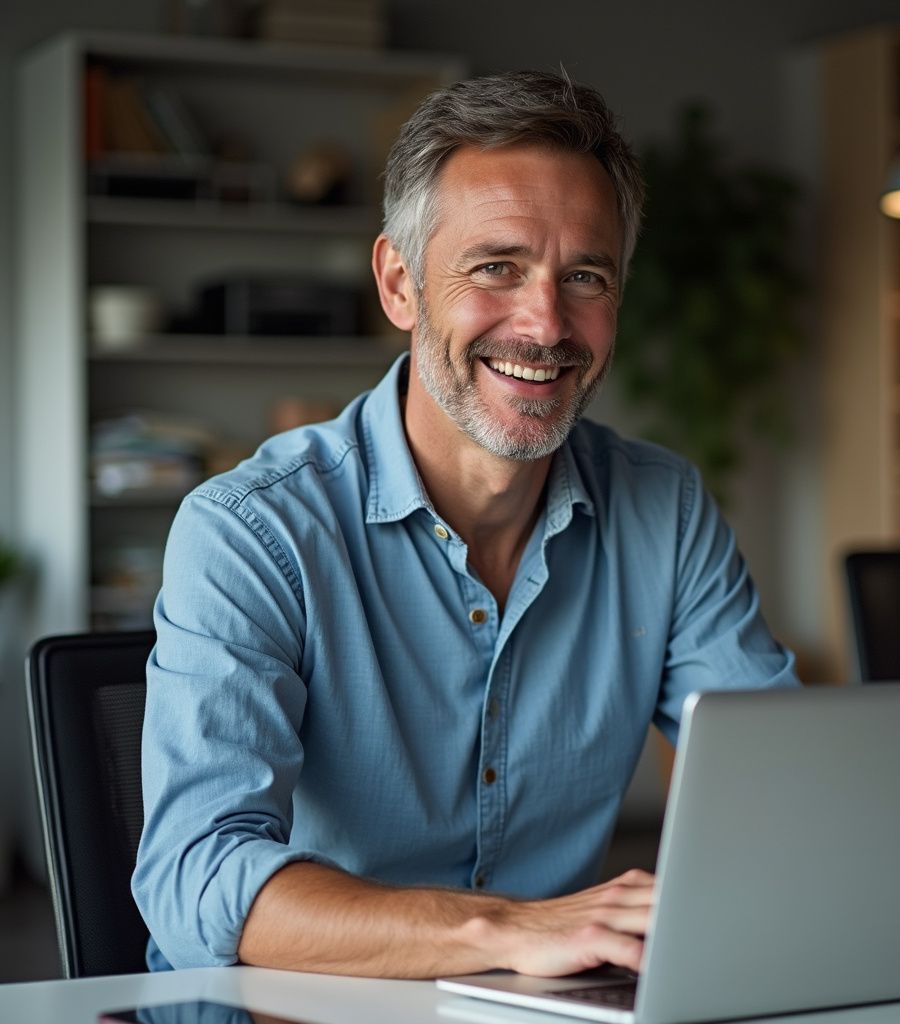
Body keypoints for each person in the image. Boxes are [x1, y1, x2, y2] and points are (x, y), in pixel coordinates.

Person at [132, 69, 798, 979]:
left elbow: (784, 793)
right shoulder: (252, 532)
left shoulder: (666, 511)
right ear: (400, 285)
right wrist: (503, 929)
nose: (546, 323)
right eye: (497, 267)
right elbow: (197, 879)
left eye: (586, 276)